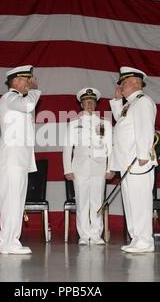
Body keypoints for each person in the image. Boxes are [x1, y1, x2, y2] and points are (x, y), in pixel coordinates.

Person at [109, 67, 157, 253]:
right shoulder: (131, 104)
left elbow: (145, 129)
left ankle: (145, 240)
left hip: (138, 161)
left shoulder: (143, 102)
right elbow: (121, 122)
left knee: (140, 202)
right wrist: (116, 100)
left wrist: (143, 156)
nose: (121, 87)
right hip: (127, 162)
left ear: (135, 83)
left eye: (123, 83)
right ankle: (136, 238)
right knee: (130, 203)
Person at [0, 65, 41, 254]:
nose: (28, 83)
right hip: (11, 159)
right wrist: (35, 89)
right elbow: (29, 105)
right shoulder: (10, 98)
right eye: (26, 80)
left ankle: (11, 241)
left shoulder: (17, 100)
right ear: (15, 81)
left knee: (16, 202)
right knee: (11, 201)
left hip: (19, 160)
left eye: (29, 80)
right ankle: (8, 242)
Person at [63, 88, 113, 245]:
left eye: (92, 102)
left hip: (99, 168)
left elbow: (110, 148)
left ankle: (96, 234)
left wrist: (110, 168)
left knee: (97, 202)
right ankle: (84, 235)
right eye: (87, 102)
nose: (90, 104)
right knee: (82, 202)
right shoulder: (74, 124)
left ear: (96, 104)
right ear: (81, 104)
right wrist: (68, 169)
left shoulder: (105, 124)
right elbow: (67, 148)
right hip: (80, 168)